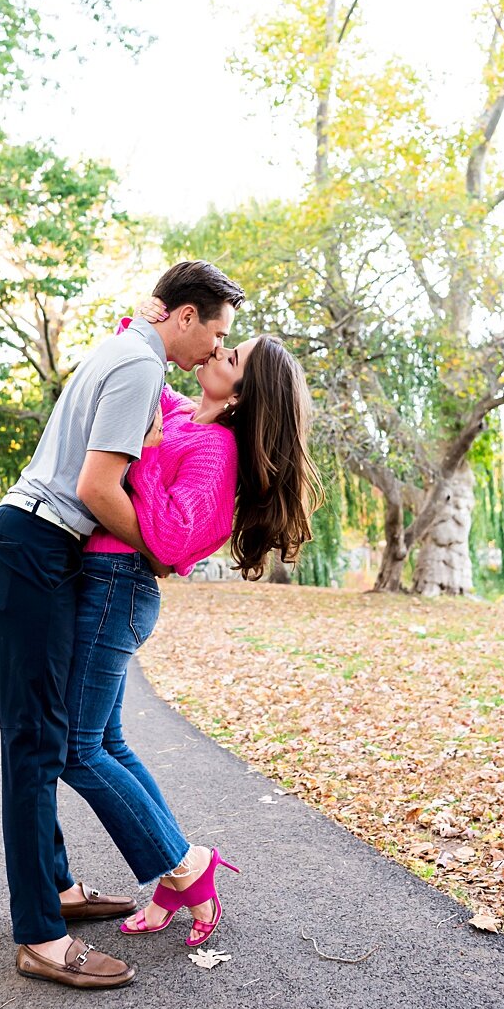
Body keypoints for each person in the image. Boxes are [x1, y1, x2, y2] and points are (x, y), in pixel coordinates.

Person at [0, 260, 243, 989]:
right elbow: (96, 486)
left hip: (46, 549)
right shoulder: (137, 365)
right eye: (215, 332)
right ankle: (40, 935)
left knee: (51, 734)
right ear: (182, 316)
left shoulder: (133, 359)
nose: (213, 349)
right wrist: (160, 550)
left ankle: (56, 886)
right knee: (38, 743)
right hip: (32, 542)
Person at [59, 302, 322, 948]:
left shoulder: (217, 448)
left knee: (75, 745)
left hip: (118, 588)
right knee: (107, 742)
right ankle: (175, 882)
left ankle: (185, 862)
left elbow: (174, 536)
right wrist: (138, 327)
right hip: (103, 583)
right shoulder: (186, 415)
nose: (214, 353)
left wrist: (142, 456)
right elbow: (146, 389)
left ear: (243, 395)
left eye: (230, 358)